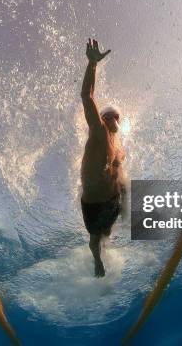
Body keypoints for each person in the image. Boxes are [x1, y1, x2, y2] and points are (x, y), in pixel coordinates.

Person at [80, 38, 127, 277]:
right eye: (109, 117)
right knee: (94, 239)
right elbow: (87, 97)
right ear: (103, 120)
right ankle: (97, 260)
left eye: (117, 117)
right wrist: (92, 64)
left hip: (111, 201)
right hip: (93, 203)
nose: (114, 120)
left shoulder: (119, 148)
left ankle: (105, 247)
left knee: (106, 234)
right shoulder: (98, 133)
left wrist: (125, 199)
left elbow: (120, 176)